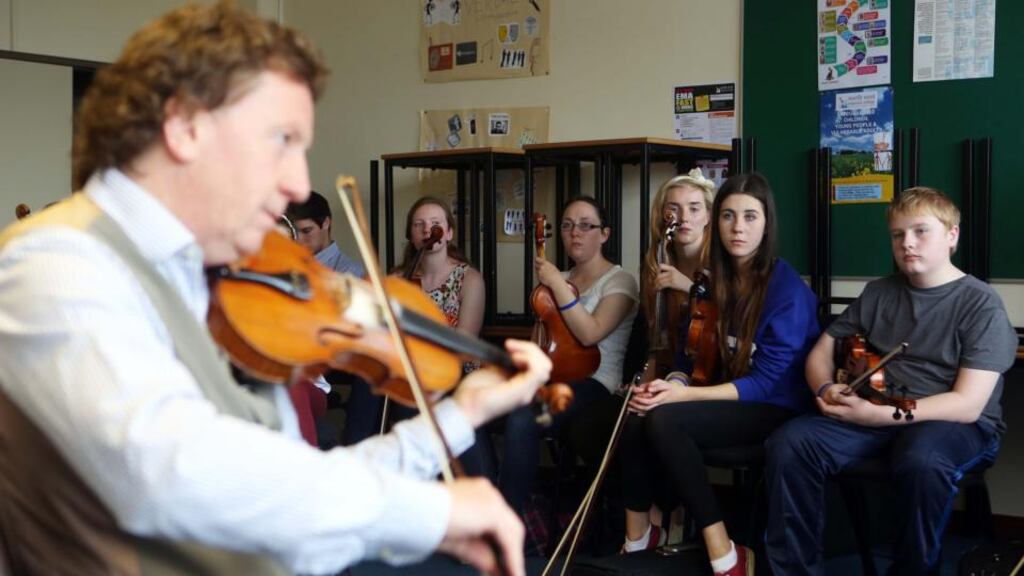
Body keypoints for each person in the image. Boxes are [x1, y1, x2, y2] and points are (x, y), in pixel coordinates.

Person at [0, 4, 551, 575]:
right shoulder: (54, 264)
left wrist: (461, 414)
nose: (296, 183)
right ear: (187, 127)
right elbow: (172, 476)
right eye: (280, 140)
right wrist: (426, 512)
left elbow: (295, 496)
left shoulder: (219, 286)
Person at [765, 186, 1017, 576]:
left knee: (922, 460)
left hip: (953, 424)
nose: (907, 243)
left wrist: (878, 417)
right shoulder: (879, 292)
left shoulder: (980, 303)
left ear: (952, 236)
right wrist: (824, 388)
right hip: (878, 414)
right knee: (791, 443)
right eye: (898, 235)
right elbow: (822, 350)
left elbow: (967, 404)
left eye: (920, 232)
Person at [618, 173, 819, 576]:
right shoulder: (709, 281)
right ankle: (639, 538)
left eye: (750, 216)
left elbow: (765, 383)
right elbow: (687, 357)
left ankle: (722, 549)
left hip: (775, 407)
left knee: (666, 420)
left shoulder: (787, 290)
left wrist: (683, 396)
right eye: (728, 216)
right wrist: (669, 384)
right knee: (638, 410)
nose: (738, 227)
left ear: (767, 223)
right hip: (727, 399)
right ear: (718, 222)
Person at [497, 196, 639, 522]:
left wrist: (557, 285)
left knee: (522, 419)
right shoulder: (555, 278)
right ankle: (496, 509)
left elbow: (591, 334)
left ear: (604, 234)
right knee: (474, 406)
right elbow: (544, 342)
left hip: (596, 383)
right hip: (553, 376)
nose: (576, 233)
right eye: (568, 225)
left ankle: (506, 527)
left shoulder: (621, 280)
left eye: (586, 226)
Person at [344, 196, 485, 447]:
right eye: (419, 224)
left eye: (435, 223)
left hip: (449, 369)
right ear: (411, 234)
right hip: (403, 366)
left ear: (449, 232)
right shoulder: (400, 278)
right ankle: (356, 458)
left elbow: (463, 344)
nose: (427, 230)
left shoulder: (469, 279)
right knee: (368, 378)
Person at [285, 190, 364, 277]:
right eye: (292, 233)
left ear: (326, 222)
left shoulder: (350, 273)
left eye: (306, 231)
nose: (298, 240)